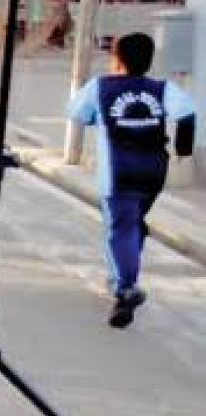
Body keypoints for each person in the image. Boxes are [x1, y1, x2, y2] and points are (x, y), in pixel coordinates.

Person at [69, 32, 196, 329]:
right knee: (131, 221)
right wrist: (183, 149)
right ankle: (123, 271)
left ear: (117, 59)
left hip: (118, 171)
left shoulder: (100, 86)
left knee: (120, 226)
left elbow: (77, 113)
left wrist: (99, 120)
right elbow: (188, 114)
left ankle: (126, 288)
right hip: (153, 170)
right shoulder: (162, 88)